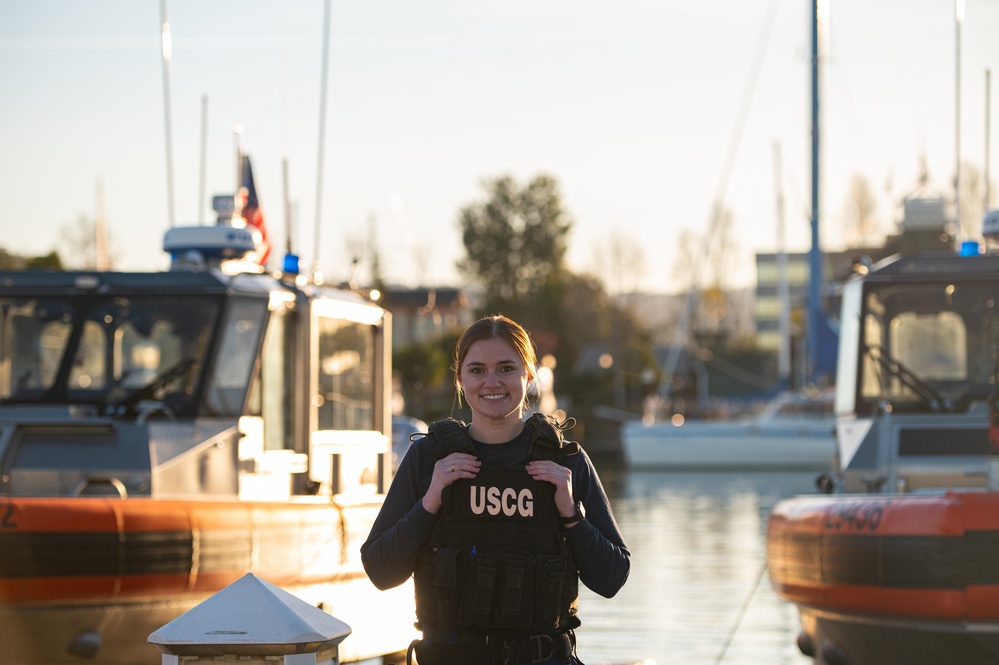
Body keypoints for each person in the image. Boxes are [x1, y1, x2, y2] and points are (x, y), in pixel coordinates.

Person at [361, 315, 631, 665]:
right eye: (477, 370)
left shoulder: (566, 462)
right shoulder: (428, 458)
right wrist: (430, 501)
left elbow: (612, 579)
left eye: (506, 368)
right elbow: (381, 572)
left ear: (528, 375)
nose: (491, 382)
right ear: (460, 378)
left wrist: (570, 516)